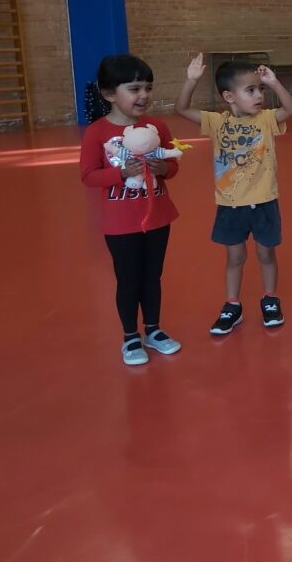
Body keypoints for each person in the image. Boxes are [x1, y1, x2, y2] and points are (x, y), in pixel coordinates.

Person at [174, 53, 292, 334]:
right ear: (229, 96)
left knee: (266, 254)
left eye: (261, 89)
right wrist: (191, 81)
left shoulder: (266, 119)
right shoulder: (216, 122)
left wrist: (275, 83)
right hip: (230, 204)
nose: (259, 95)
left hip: (264, 200)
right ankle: (232, 304)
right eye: (250, 90)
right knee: (234, 258)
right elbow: (181, 108)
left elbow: (290, 108)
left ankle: (270, 299)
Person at [80, 55, 181, 366]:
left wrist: (164, 168)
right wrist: (121, 173)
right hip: (120, 223)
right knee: (128, 279)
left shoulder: (157, 126)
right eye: (135, 88)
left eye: (148, 87)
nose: (144, 95)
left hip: (158, 217)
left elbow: (172, 165)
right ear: (110, 93)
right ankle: (130, 336)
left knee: (153, 276)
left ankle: (153, 330)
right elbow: (89, 176)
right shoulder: (97, 132)